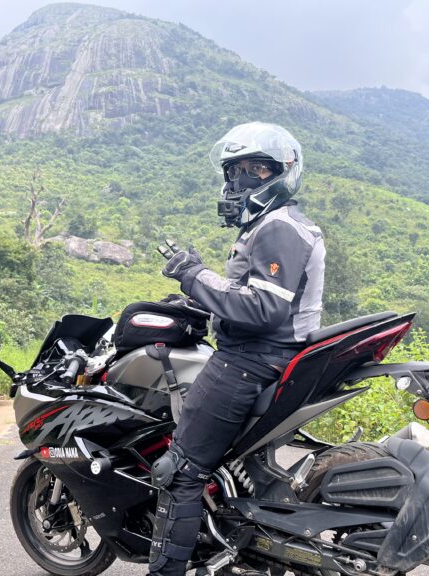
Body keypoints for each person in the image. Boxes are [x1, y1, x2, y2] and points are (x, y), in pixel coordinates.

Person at [148, 122, 326, 576]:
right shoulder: (276, 224)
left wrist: (192, 273)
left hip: (250, 361)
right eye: (233, 172)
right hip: (265, 355)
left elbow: (263, 308)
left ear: (280, 174)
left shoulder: (278, 227)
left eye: (252, 171)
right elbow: (249, 293)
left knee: (179, 472)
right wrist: (197, 299)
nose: (237, 183)